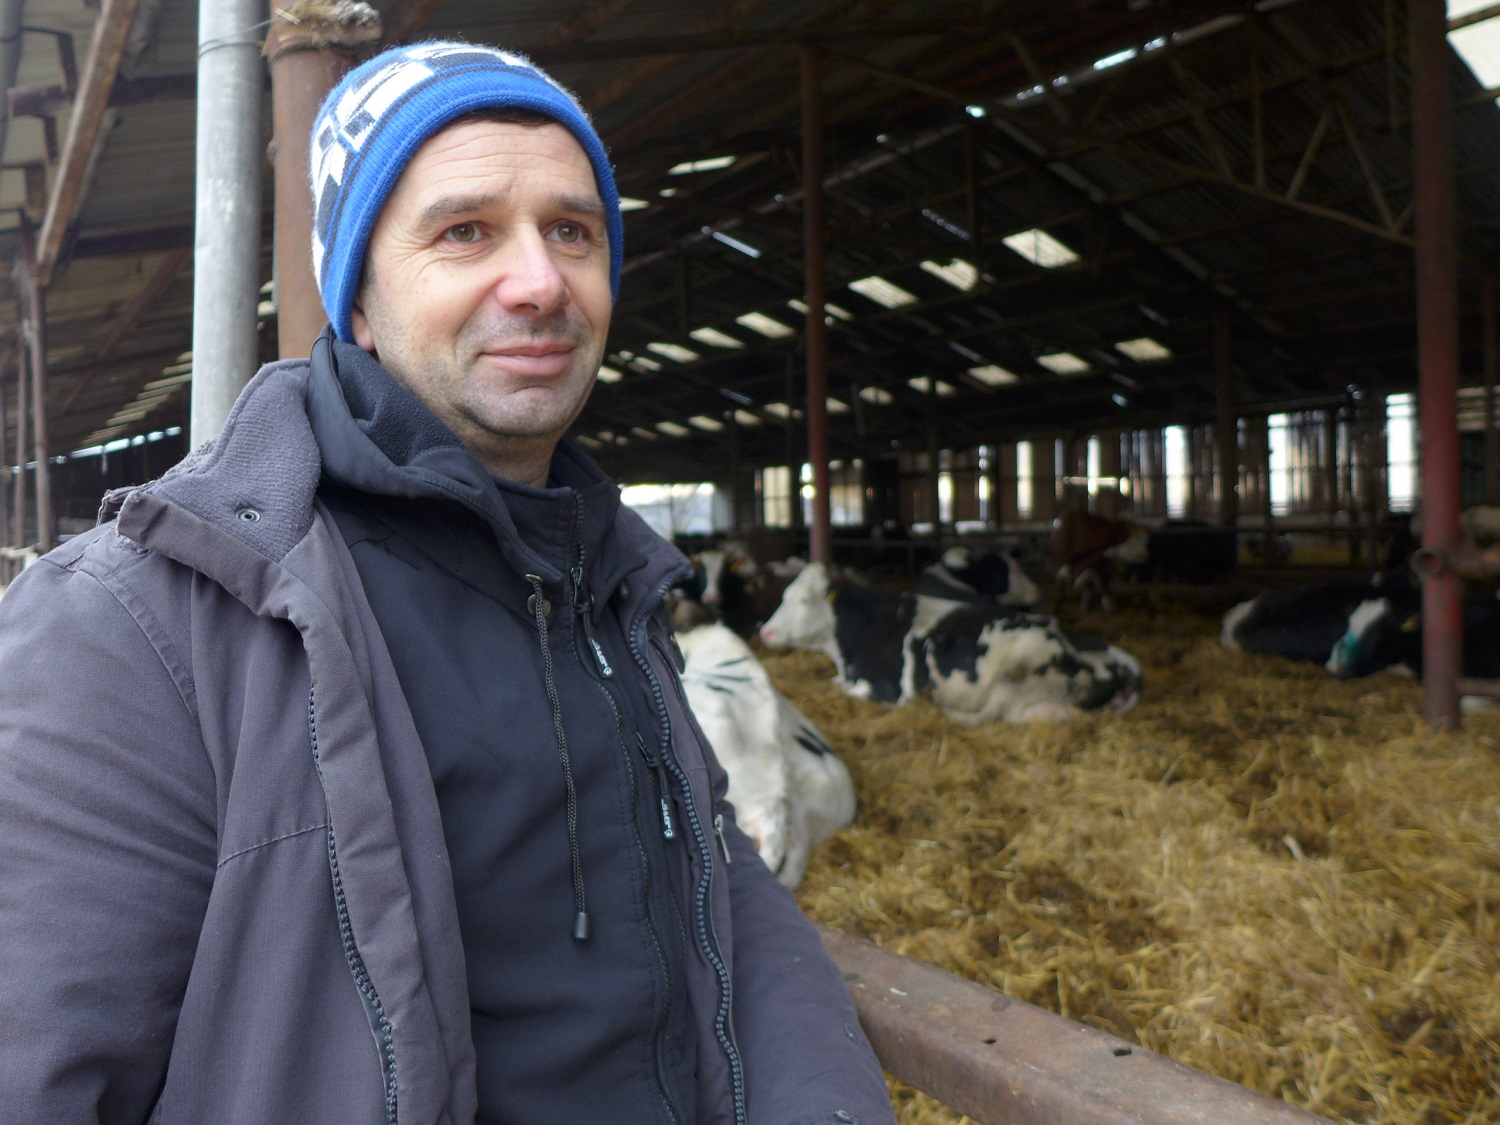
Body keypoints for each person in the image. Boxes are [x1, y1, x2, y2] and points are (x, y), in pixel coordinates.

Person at [0, 41, 894, 1125]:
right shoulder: (141, 624)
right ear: (358, 303)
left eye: (573, 231)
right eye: (465, 231)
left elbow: (727, 901)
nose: (540, 281)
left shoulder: (611, 589)